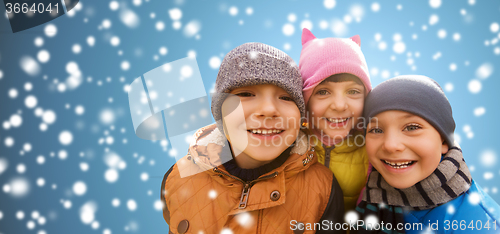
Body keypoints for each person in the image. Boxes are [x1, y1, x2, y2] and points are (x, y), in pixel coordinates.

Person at [161, 42, 345, 233]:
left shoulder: (323, 188)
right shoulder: (177, 178)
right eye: (246, 94)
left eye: (286, 97)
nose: (268, 110)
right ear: (220, 111)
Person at [355, 75, 500, 233]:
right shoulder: (372, 191)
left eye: (411, 128)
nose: (390, 145)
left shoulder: (479, 224)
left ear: (444, 141)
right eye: (376, 130)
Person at [299, 28, 372, 214]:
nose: (340, 105)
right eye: (323, 92)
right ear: (305, 99)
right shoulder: (287, 145)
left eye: (353, 91)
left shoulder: (373, 149)